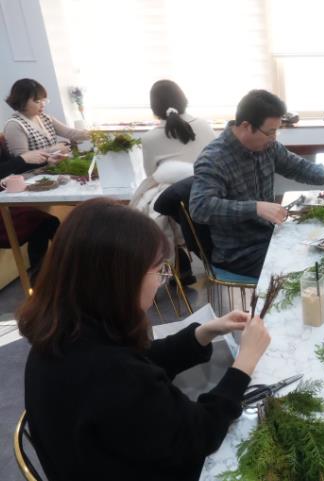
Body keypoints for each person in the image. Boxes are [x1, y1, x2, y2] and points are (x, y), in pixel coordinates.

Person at [18, 198, 271, 481]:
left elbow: (140, 361)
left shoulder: (66, 332)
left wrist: (204, 333)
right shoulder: (113, 374)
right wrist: (244, 365)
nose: (162, 279)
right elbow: (200, 434)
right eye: (159, 270)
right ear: (119, 279)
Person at [190, 90, 324, 278]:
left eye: (277, 131)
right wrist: (255, 208)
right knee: (314, 268)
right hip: (240, 253)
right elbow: (200, 207)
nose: (274, 137)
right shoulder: (214, 159)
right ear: (246, 126)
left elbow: (297, 166)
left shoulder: (267, 146)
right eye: (270, 131)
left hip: (270, 235)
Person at [133, 80, 216, 284]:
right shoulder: (205, 126)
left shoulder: (150, 138)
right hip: (210, 194)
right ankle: (186, 260)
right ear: (183, 99)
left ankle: (177, 262)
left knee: (151, 205)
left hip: (176, 206)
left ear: (154, 107)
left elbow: (151, 174)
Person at [0, 133, 59, 271]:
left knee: (47, 223)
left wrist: (46, 162)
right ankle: (42, 275)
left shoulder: (1, 141)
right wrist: (22, 159)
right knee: (45, 223)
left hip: (5, 203)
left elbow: (12, 167)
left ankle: (44, 274)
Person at [4, 78, 89, 156]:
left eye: (44, 100)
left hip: (53, 165)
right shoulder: (14, 125)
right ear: (22, 101)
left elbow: (70, 133)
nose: (43, 104)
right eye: (38, 101)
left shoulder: (45, 118)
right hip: (36, 168)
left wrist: (94, 134)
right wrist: (52, 150)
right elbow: (22, 158)